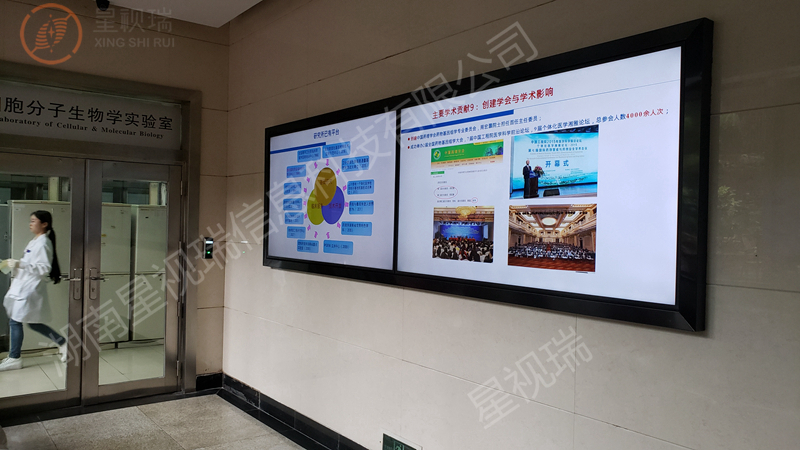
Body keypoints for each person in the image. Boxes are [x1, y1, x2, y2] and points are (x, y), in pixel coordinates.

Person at [0, 211, 67, 372]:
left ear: (44, 224)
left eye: (33, 221)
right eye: (30, 221)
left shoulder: (43, 243)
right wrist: (13, 265)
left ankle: (15, 357)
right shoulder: (35, 241)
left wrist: (19, 264)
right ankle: (63, 343)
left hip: (30, 289)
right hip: (24, 287)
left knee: (16, 321)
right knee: (31, 323)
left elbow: (44, 268)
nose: (30, 224)